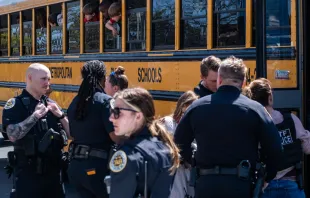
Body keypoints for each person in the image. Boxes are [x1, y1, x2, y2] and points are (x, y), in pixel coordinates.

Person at [174, 56, 283, 198]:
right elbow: (275, 148)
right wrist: (267, 176)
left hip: (206, 185)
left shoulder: (196, 107)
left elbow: (178, 142)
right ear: (243, 83)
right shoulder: (256, 110)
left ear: (219, 80)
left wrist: (195, 161)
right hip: (242, 185)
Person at [2, 63, 70, 198]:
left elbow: (72, 134)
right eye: (43, 79)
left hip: (54, 176)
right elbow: (12, 135)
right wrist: (35, 116)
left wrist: (61, 116)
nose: (47, 83)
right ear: (30, 78)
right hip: (29, 176)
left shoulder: (51, 105)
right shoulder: (16, 105)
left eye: (49, 79)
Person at [107, 87, 180, 197]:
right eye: (112, 111)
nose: (111, 118)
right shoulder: (164, 146)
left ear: (138, 116)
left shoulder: (128, 155)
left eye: (117, 112)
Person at [244, 78, 310, 198]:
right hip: (291, 185)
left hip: (264, 186)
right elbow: (307, 148)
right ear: (270, 97)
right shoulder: (290, 119)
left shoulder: (251, 124)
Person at [67, 60, 119, 198]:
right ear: (103, 78)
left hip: (76, 168)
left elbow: (72, 134)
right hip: (98, 168)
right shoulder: (105, 102)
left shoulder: (75, 102)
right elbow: (115, 136)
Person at [160, 90, 198, 198]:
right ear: (182, 107)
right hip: (174, 173)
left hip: (189, 173)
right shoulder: (168, 123)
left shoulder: (195, 127)